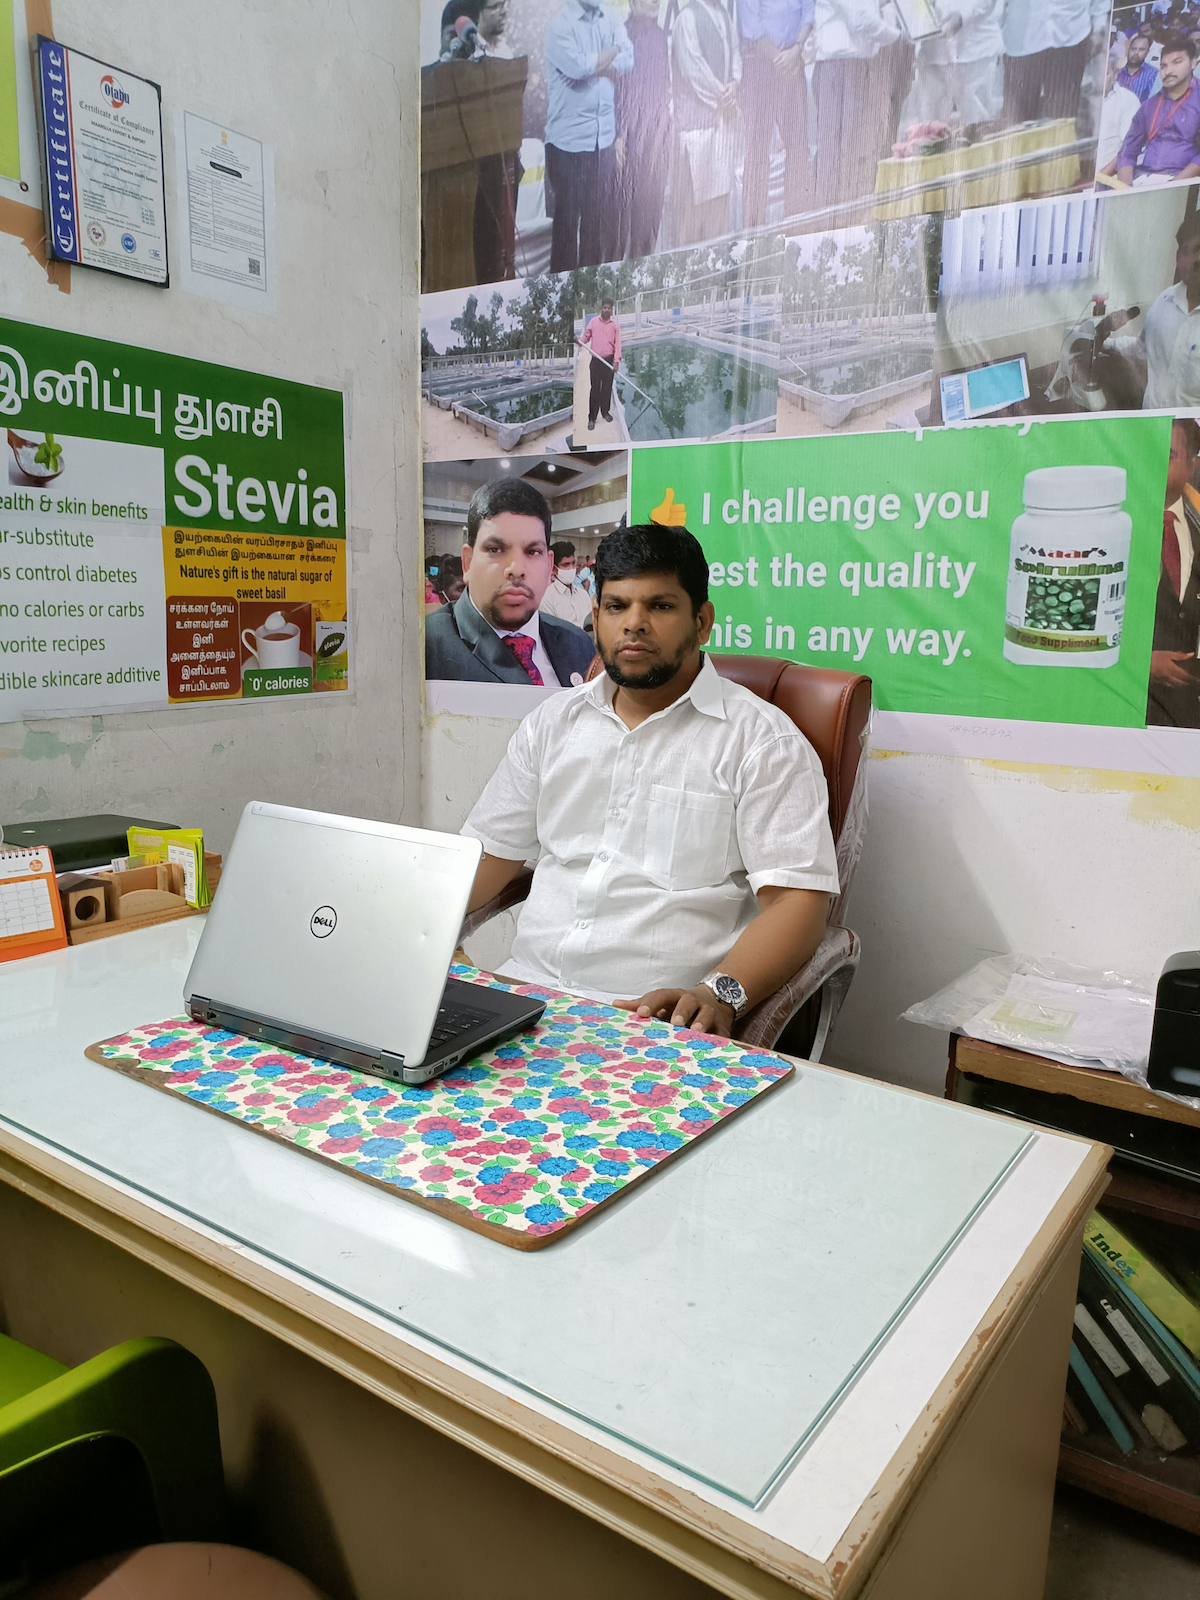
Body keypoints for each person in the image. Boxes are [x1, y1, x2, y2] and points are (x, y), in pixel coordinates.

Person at [460, 524, 838, 1028]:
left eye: (659, 606)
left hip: (655, 1021)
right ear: (596, 617)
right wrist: (423, 934)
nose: (634, 624)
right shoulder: (552, 724)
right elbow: (487, 856)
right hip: (526, 993)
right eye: (617, 606)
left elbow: (798, 903)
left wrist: (719, 994)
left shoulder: (762, 743)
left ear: (702, 622)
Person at [425, 478, 596, 684]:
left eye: (533, 552)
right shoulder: (423, 647)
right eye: (495, 549)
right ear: (467, 562)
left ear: (549, 565)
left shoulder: (579, 644)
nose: (516, 569)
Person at [544, 0, 633, 271]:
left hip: (603, 140)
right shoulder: (560, 25)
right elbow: (579, 67)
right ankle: (562, 295)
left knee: (595, 227)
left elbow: (629, 60)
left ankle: (588, 292)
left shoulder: (612, 17)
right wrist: (613, 52)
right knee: (566, 230)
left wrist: (596, 63)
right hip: (567, 144)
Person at [812, 0, 913, 210]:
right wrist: (901, 36)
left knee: (849, 147)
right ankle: (830, 214)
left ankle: (842, 212)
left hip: (851, 66)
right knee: (837, 150)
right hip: (840, 68)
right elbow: (861, 19)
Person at [1103, 211, 1200, 407]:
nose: (1196, 259)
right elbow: (1143, 349)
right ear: (1178, 258)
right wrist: (1103, 343)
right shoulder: (1164, 301)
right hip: (1151, 421)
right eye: (1189, 251)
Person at [670, 0, 743, 245]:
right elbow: (693, 69)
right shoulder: (686, 18)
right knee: (693, 213)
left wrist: (734, 83)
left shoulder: (724, 15)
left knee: (718, 209)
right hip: (695, 131)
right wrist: (722, 95)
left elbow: (735, 54)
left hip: (722, 126)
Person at [738, 0, 813, 229]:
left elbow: (808, 11)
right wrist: (780, 58)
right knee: (757, 151)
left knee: (798, 148)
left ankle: (797, 226)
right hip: (759, 66)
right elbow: (752, 27)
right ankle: (754, 232)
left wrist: (796, 51)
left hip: (794, 62)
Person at [1148, 417, 1200, 726]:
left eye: (1167, 455)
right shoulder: (1106, 527)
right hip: (1132, 712)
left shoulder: (1196, 527)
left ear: (1191, 465)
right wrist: (1141, 665)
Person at [613, 0, 672, 259]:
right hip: (629, 138)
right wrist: (618, 135)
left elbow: (664, 85)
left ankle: (643, 268)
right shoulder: (621, 36)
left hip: (657, 136)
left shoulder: (660, 36)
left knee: (651, 214)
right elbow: (616, 89)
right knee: (624, 220)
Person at [1103, 35, 1200, 183]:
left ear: (1193, 63)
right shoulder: (1149, 105)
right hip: (1143, 178)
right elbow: (1128, 152)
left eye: (1176, 62)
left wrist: (1174, 186)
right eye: (1163, 66)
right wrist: (1126, 188)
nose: (1168, 71)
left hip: (1182, 182)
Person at [1000, 0, 1108, 126]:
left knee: (1062, 119)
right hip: (1020, 40)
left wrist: (1099, 24)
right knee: (1016, 123)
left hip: (1071, 35)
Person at [902, 0, 1004, 133]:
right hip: (931, 53)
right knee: (928, 130)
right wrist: (909, 24)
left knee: (979, 126)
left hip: (974, 51)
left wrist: (962, 17)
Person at [1098, 44, 1143, 168]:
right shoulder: (1083, 100)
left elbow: (1129, 150)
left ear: (1115, 74)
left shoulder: (1127, 100)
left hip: (1109, 173)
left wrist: (1101, 175)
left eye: (1105, 73)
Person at [580, 297, 621, 429]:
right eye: (605, 307)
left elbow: (618, 345)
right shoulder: (593, 322)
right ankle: (592, 418)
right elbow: (586, 337)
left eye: (609, 308)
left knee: (606, 389)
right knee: (595, 389)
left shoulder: (615, 326)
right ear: (601, 308)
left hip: (609, 361)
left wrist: (616, 361)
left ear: (611, 310)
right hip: (596, 361)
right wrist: (579, 341)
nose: (607, 310)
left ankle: (605, 412)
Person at [541, 540, 595, 627]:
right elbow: (550, 632)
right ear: (554, 569)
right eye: (565, 565)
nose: (571, 568)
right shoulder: (547, 598)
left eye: (573, 563)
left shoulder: (583, 594)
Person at [1118, 26, 1161, 98]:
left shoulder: (1153, 75)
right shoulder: (1119, 73)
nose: (1136, 53)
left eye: (1141, 50)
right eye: (1133, 49)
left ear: (1147, 52)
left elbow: (1153, 101)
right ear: (1128, 50)